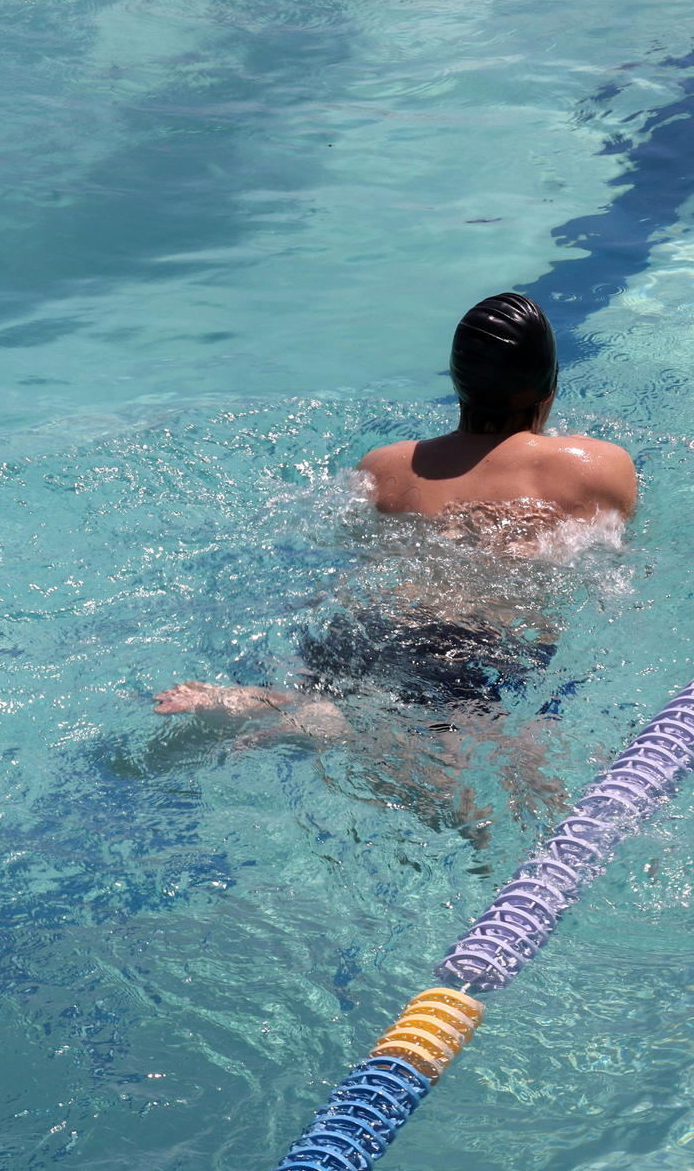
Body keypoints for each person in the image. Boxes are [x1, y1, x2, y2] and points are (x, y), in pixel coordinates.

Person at [150, 296, 635, 832]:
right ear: (549, 390)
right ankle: (329, 724)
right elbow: (613, 556)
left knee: (352, 703)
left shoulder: (386, 465)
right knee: (493, 815)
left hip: (360, 628)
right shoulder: (598, 465)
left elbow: (345, 546)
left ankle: (300, 708)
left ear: (457, 383)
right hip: (467, 646)